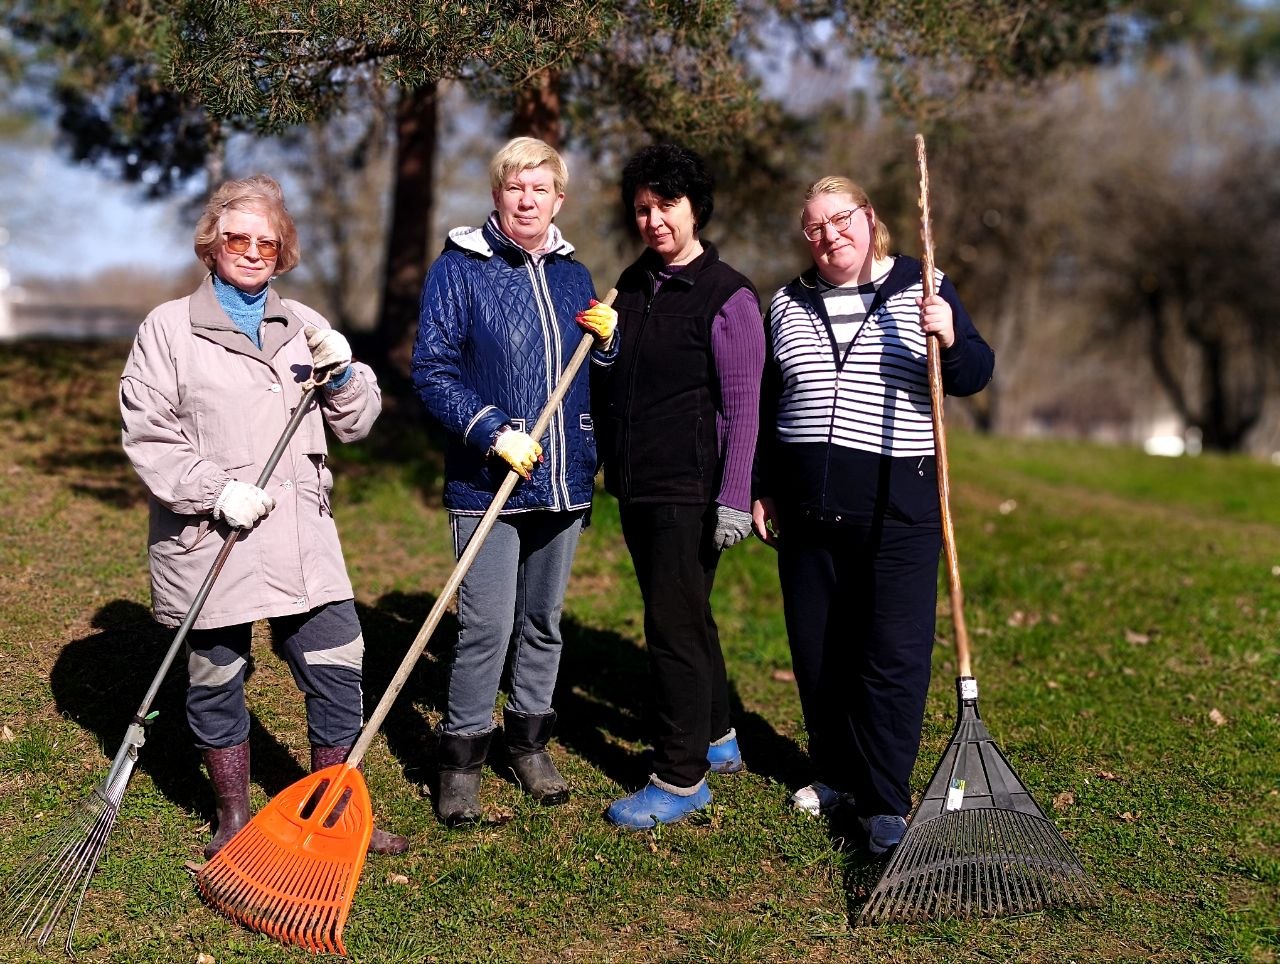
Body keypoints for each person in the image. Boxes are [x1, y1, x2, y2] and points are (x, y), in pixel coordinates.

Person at [120, 174, 407, 859]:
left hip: (299, 533)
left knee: (338, 661)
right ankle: (233, 816)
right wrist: (214, 490)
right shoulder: (168, 329)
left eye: (266, 242)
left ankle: (332, 813)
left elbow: (359, 423)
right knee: (216, 674)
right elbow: (149, 434)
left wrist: (343, 373)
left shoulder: (305, 326)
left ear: (283, 252)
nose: (252, 252)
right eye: (237, 238)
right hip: (213, 533)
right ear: (211, 244)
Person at [751, 175, 994, 854]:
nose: (830, 236)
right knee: (819, 650)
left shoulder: (923, 285)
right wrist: (764, 486)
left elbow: (976, 372)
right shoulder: (788, 302)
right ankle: (834, 774)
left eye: (841, 220)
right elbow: (772, 405)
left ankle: (885, 799)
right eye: (815, 227)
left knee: (892, 656)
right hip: (806, 512)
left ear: (871, 219)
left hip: (898, 507)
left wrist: (948, 334)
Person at [411, 137, 617, 827]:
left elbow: (590, 373)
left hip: (563, 478)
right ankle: (461, 759)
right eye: (514, 187)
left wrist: (609, 345)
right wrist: (493, 430)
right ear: (497, 195)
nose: (526, 200)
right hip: (487, 481)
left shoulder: (573, 274)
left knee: (543, 622)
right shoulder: (459, 269)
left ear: (559, 199)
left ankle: (528, 743)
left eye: (540, 189)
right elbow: (432, 370)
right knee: (486, 626)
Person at [593, 143, 765, 828]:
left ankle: (680, 775)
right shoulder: (633, 284)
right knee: (687, 616)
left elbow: (745, 407)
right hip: (638, 485)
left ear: (695, 208)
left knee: (671, 628)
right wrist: (606, 349)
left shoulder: (728, 296)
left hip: (689, 490)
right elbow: (619, 378)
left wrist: (733, 496)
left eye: (666, 204)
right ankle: (717, 737)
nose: (653, 219)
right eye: (641, 208)